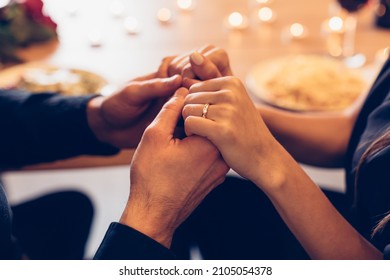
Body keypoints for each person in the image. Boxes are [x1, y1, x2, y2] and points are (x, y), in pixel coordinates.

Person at [165, 46, 390, 260]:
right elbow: (356, 129)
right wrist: (235, 112)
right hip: (356, 214)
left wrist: (266, 157)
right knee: (197, 195)